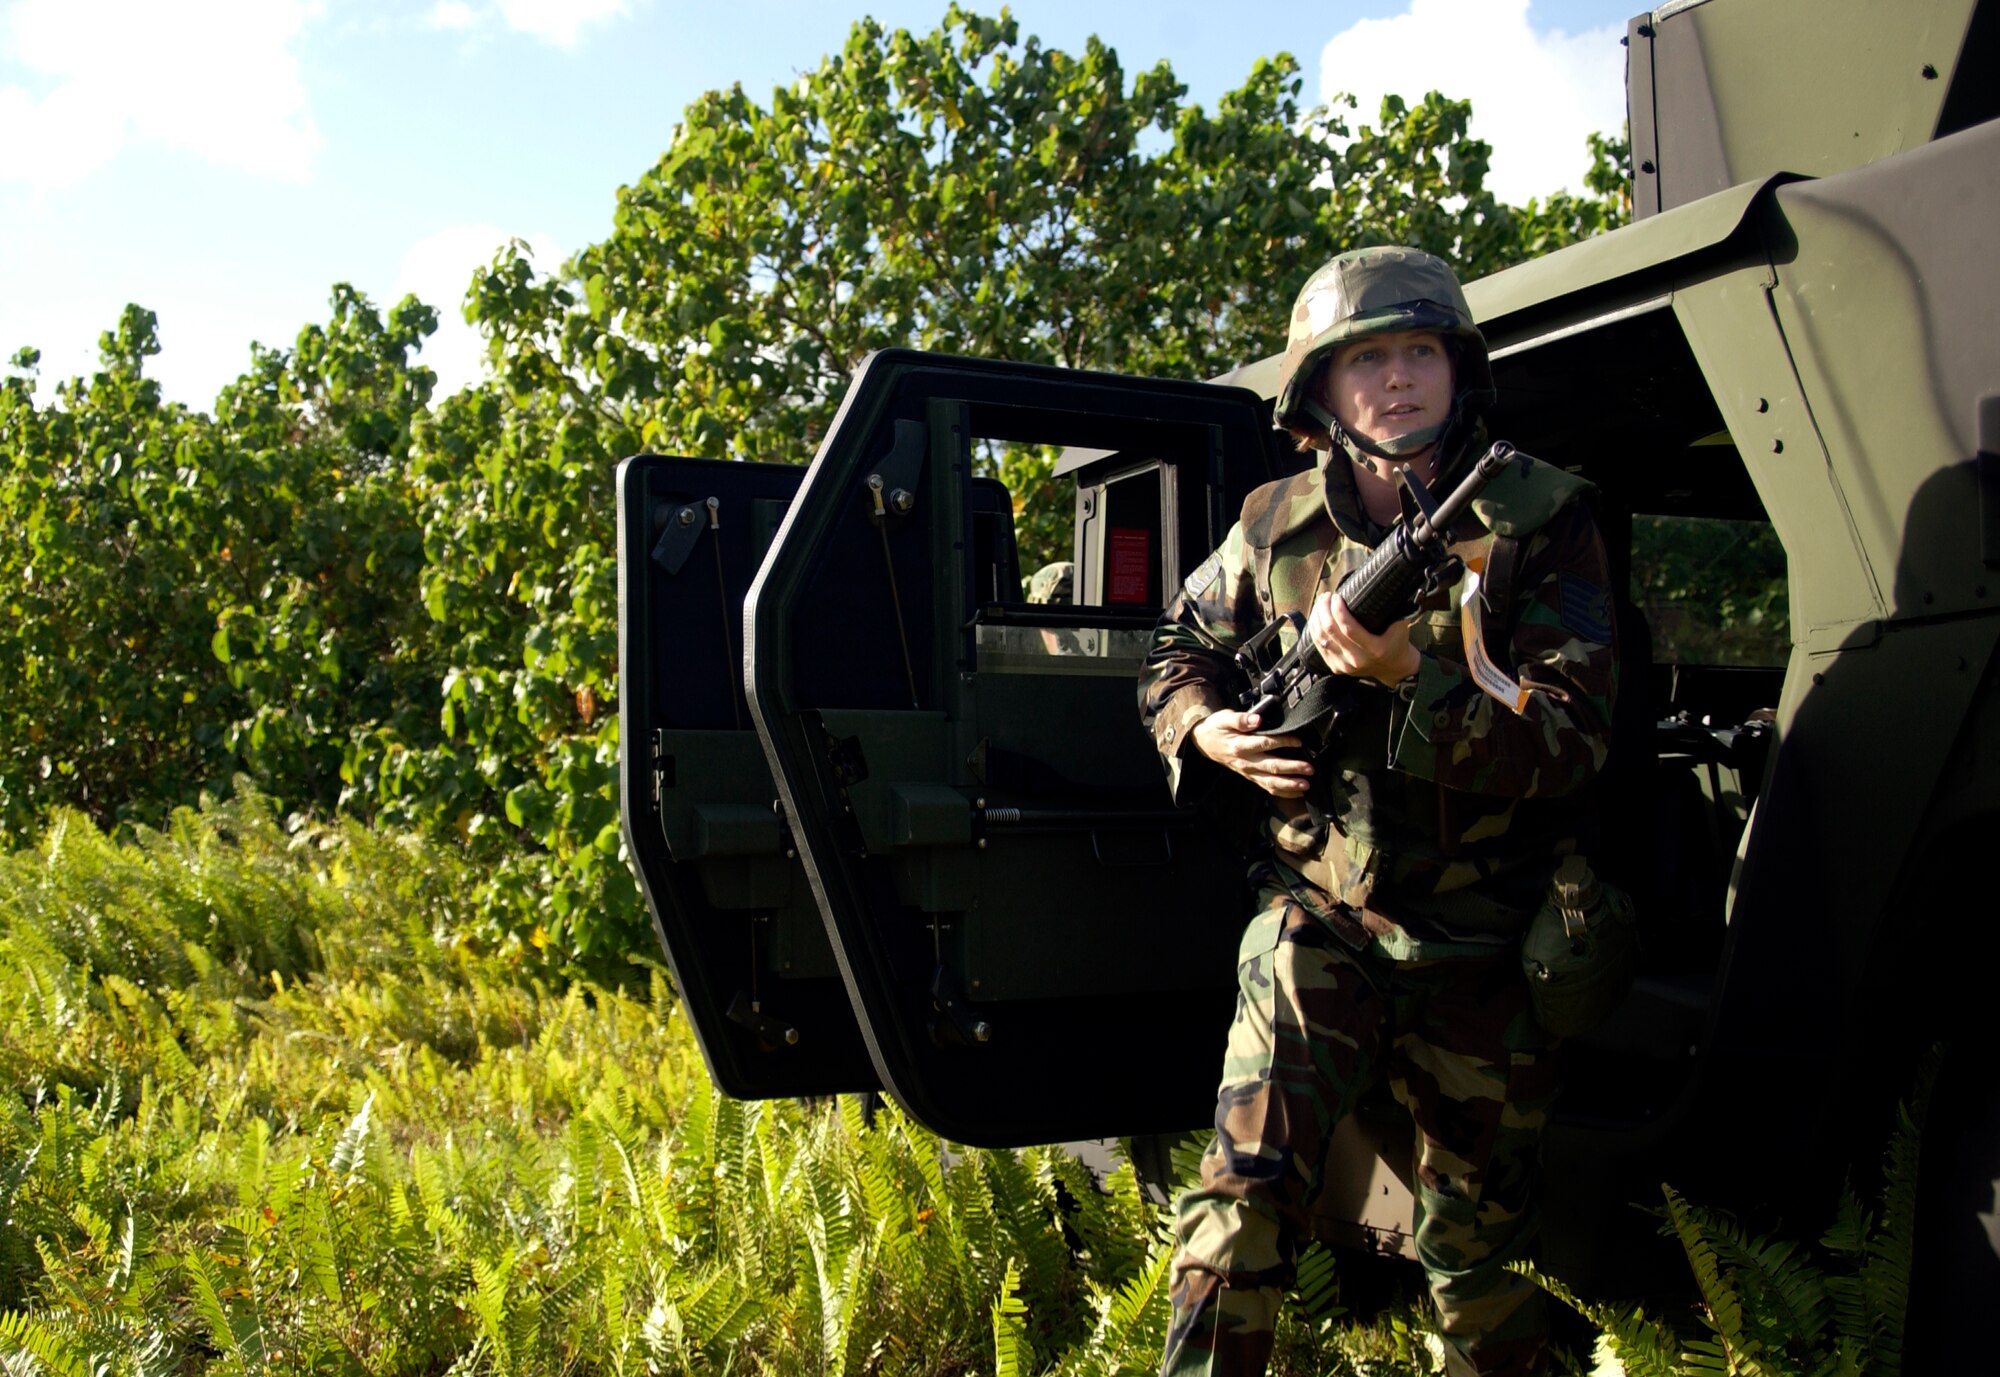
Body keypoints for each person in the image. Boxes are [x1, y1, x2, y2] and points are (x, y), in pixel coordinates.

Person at [1139, 246, 1618, 1376]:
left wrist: (1415, 680)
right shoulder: (1270, 525)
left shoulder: (1540, 518)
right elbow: (1173, 654)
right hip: (1321, 914)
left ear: (1456, 368)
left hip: (1487, 933)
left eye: (1418, 352)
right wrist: (1206, 730)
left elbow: (1577, 746)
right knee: (1239, 1196)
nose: (1397, 380)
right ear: (1319, 392)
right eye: (1366, 360)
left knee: (1477, 1258)